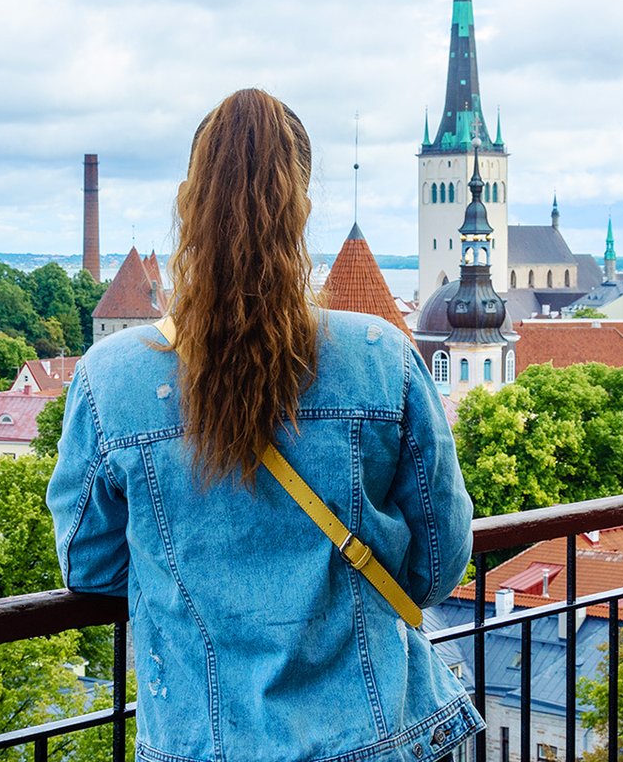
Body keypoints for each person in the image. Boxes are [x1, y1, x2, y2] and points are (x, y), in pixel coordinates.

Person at [47, 89, 483, 762]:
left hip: (200, 742)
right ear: (301, 205)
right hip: (374, 734)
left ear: (189, 202)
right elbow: (440, 560)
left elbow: (90, 564)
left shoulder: (111, 380)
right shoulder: (380, 359)